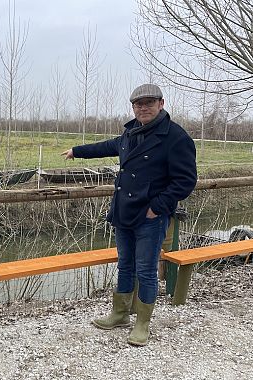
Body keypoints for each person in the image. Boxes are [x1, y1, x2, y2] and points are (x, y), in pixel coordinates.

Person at [62, 84, 197, 346]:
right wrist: (77, 151)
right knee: (125, 265)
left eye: (149, 102)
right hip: (123, 211)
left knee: (146, 270)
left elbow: (186, 180)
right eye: (138, 104)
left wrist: (156, 207)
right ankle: (120, 313)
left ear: (161, 103)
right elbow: (107, 146)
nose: (143, 107)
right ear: (133, 107)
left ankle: (142, 322)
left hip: (150, 216)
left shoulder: (175, 137)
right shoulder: (130, 133)